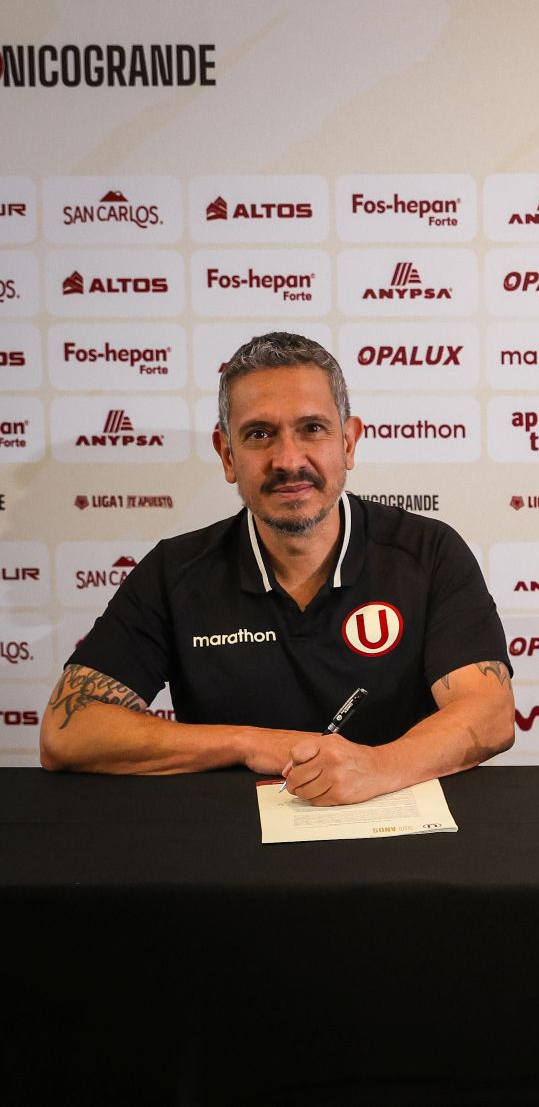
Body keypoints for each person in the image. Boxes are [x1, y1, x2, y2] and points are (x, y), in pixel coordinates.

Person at [39, 332, 514, 805]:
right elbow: (68, 731)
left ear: (348, 442)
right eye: (259, 434)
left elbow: (489, 714)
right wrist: (252, 743)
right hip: (230, 837)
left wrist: (374, 767)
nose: (288, 460)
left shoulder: (429, 552)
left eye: (312, 428)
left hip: (400, 829)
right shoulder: (174, 571)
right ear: (228, 455)